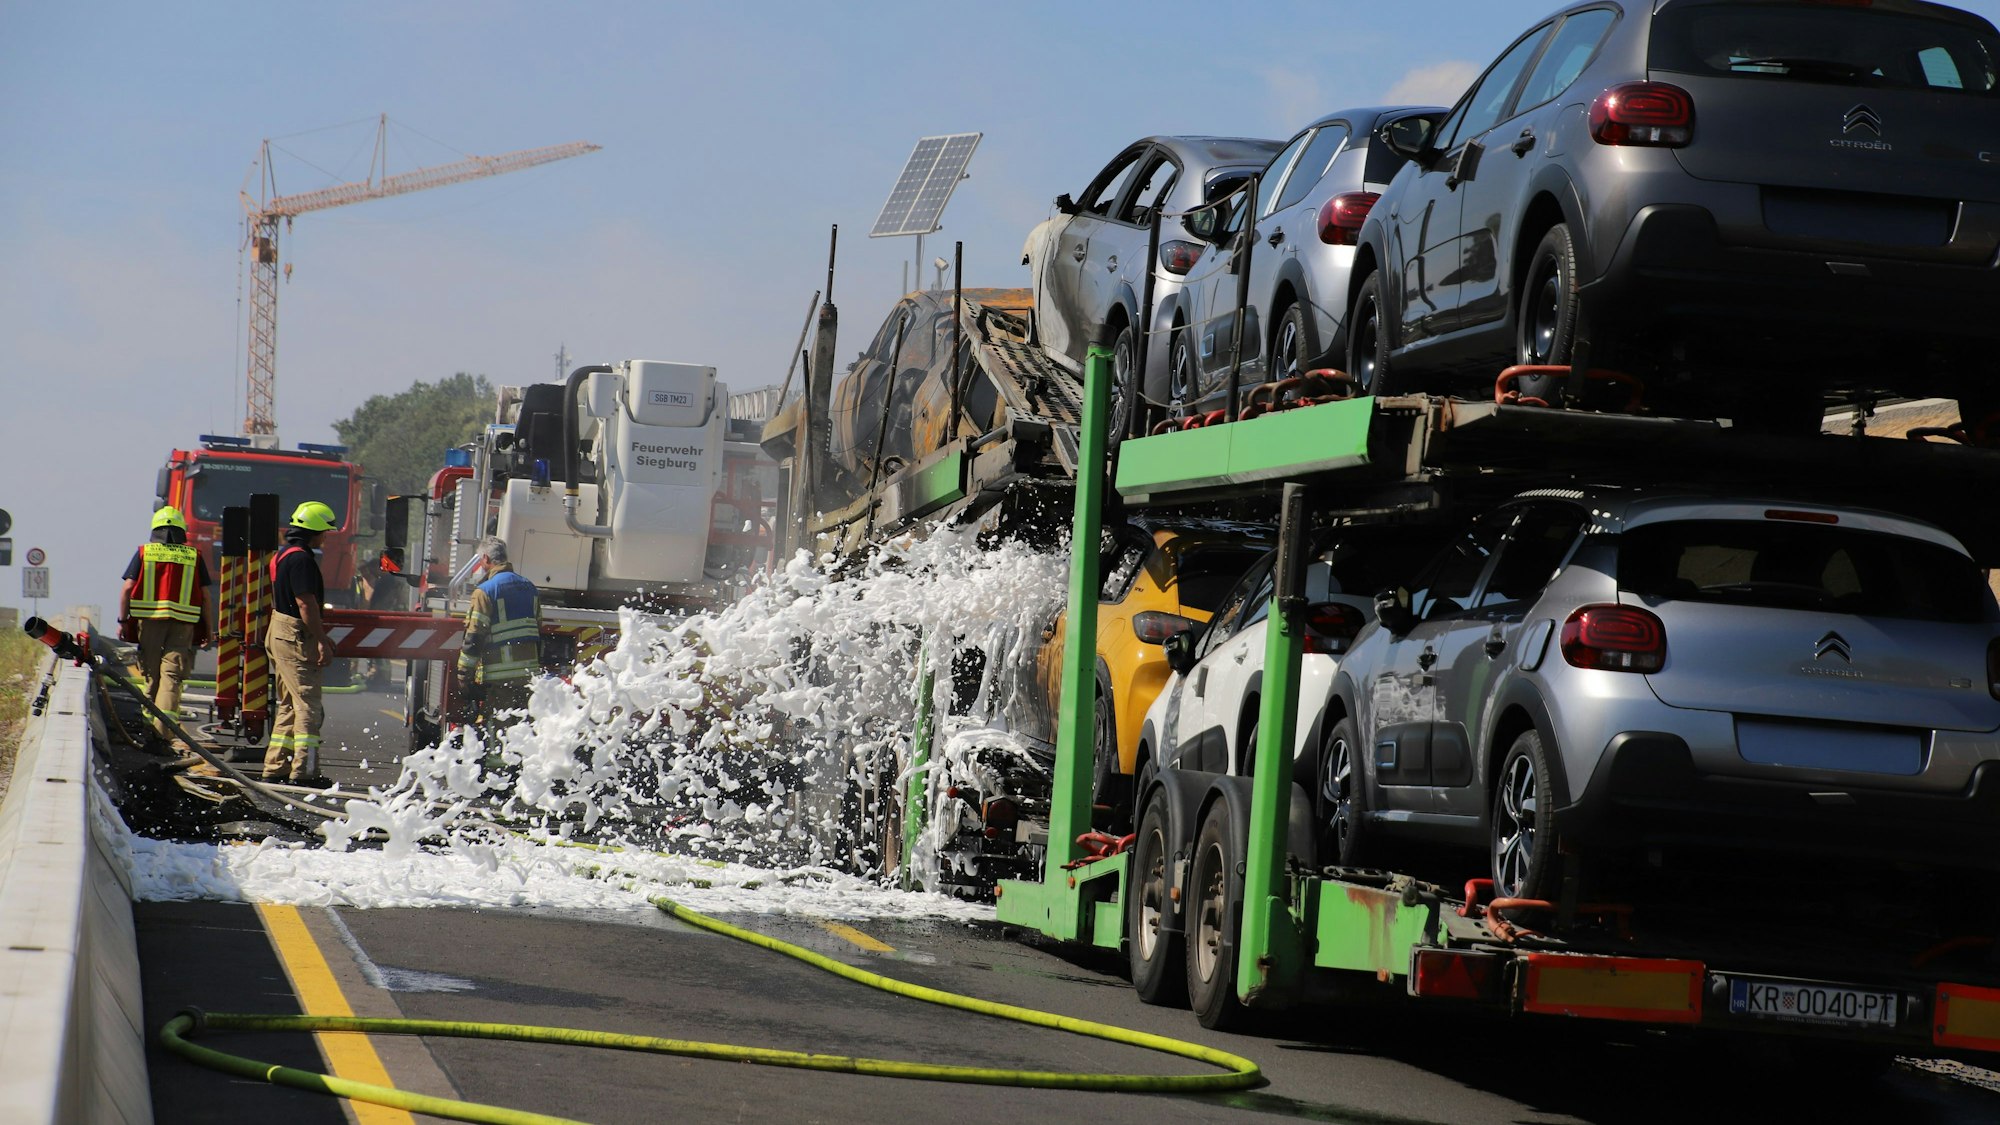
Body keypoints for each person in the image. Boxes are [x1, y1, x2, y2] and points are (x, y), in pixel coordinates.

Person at [118, 506, 212, 749]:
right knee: (171, 677)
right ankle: (163, 733)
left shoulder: (144, 553)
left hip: (149, 623)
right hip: (182, 626)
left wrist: (123, 621)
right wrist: (208, 628)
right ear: (182, 530)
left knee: (151, 676)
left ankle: (147, 727)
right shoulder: (194, 556)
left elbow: (127, 589)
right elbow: (205, 597)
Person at [265, 501, 338, 787]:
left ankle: (276, 766)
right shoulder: (302, 560)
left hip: (279, 629)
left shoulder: (283, 555)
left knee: (288, 703)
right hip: (295, 634)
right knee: (308, 703)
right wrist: (321, 640)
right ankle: (305, 771)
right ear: (314, 530)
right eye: (324, 531)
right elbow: (306, 603)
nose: (325, 537)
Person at [456, 536, 542, 724]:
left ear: (485, 559)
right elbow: (538, 630)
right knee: (524, 731)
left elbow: (474, 637)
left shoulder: (484, 592)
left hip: (499, 680)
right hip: (528, 677)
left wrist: (464, 676)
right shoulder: (530, 587)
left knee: (499, 730)